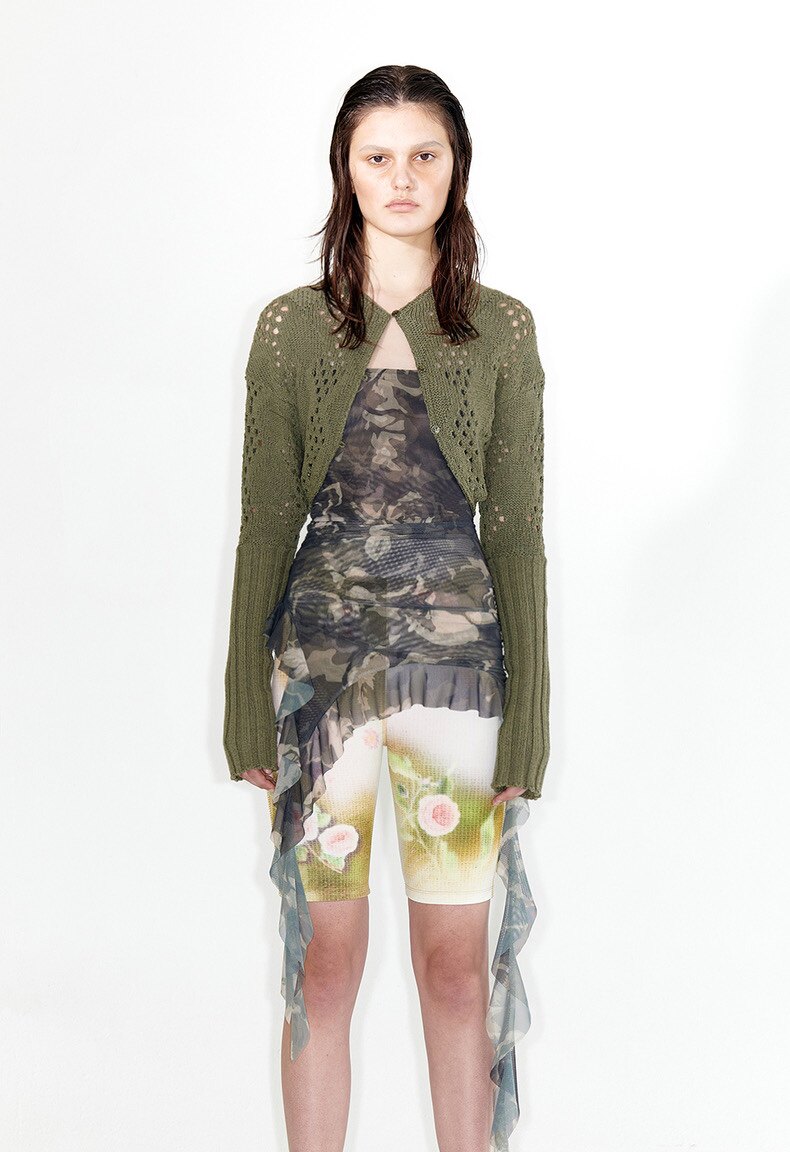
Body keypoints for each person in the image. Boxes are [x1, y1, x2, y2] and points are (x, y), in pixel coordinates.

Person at [223, 64, 550, 1152]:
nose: (402, 177)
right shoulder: (289, 329)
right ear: (346, 170)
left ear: (456, 169)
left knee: (455, 969)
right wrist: (241, 698)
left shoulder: (502, 330)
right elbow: (265, 524)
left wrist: (533, 716)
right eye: (378, 156)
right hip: (321, 681)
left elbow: (516, 532)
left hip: (461, 685)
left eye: (424, 155)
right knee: (323, 961)